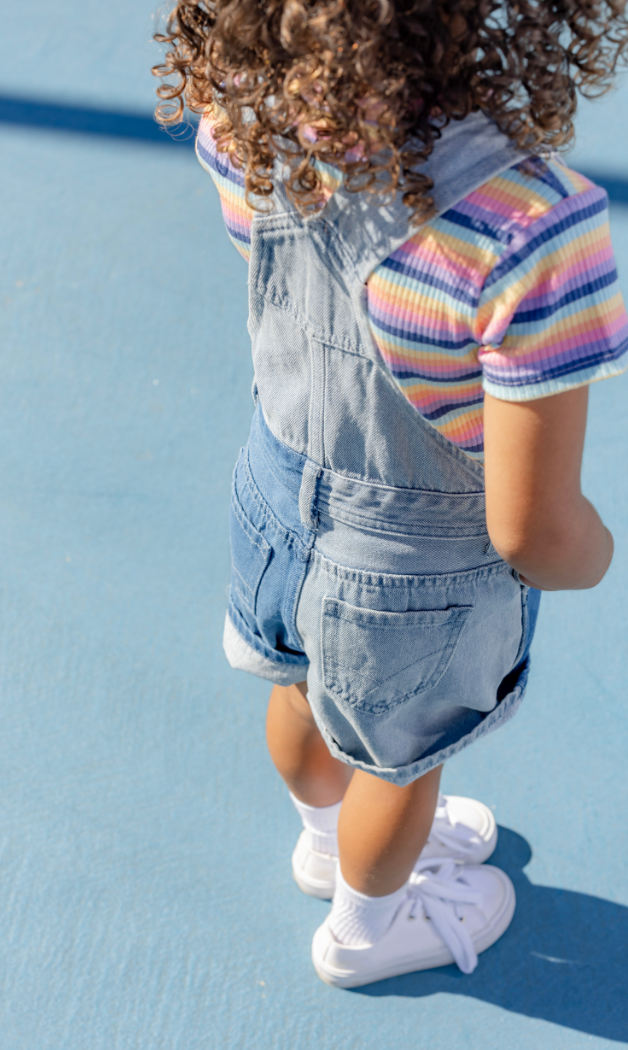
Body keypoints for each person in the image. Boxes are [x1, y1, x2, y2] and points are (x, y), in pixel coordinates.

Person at [153, 0, 628, 986]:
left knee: (296, 677)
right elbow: (533, 529)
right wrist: (593, 552)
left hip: (279, 487)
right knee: (397, 766)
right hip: (413, 562)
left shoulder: (242, 109)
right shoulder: (529, 226)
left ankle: (324, 844)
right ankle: (368, 930)